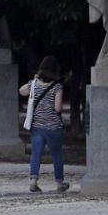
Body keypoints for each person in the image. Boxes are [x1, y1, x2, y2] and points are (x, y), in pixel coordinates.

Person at [19, 56, 69, 193]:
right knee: (57, 155)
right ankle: (59, 183)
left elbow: (21, 91)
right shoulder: (57, 87)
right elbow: (58, 108)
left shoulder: (34, 84)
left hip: (37, 126)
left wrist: (34, 81)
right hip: (53, 127)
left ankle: (33, 181)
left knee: (36, 153)